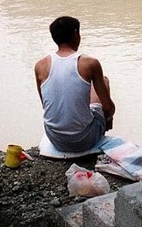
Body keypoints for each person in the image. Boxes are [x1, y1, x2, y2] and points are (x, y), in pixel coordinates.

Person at [34, 16, 114, 154]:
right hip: (84, 140)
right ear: (76, 34)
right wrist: (108, 115)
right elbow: (108, 108)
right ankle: (101, 134)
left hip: (55, 138)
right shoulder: (90, 63)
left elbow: (45, 104)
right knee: (104, 81)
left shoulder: (40, 65)